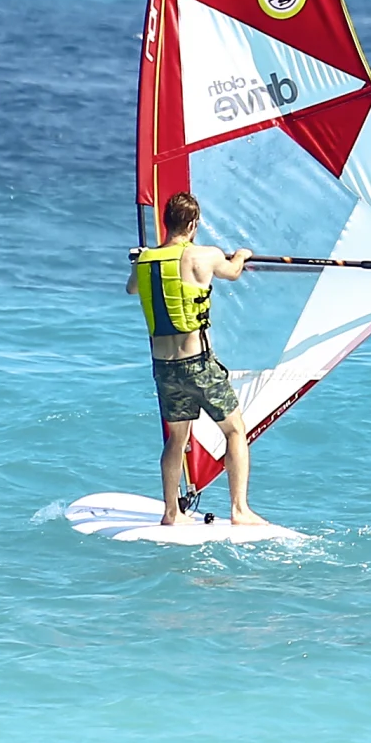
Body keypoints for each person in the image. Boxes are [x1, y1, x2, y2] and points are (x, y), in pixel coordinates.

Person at [131, 189, 271, 528]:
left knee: (176, 439)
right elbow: (233, 272)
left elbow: (132, 288)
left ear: (166, 222)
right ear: (193, 224)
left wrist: (140, 259)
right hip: (198, 365)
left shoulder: (145, 260)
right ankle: (240, 511)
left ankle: (171, 513)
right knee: (236, 431)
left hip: (164, 368)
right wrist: (241, 254)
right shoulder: (204, 255)